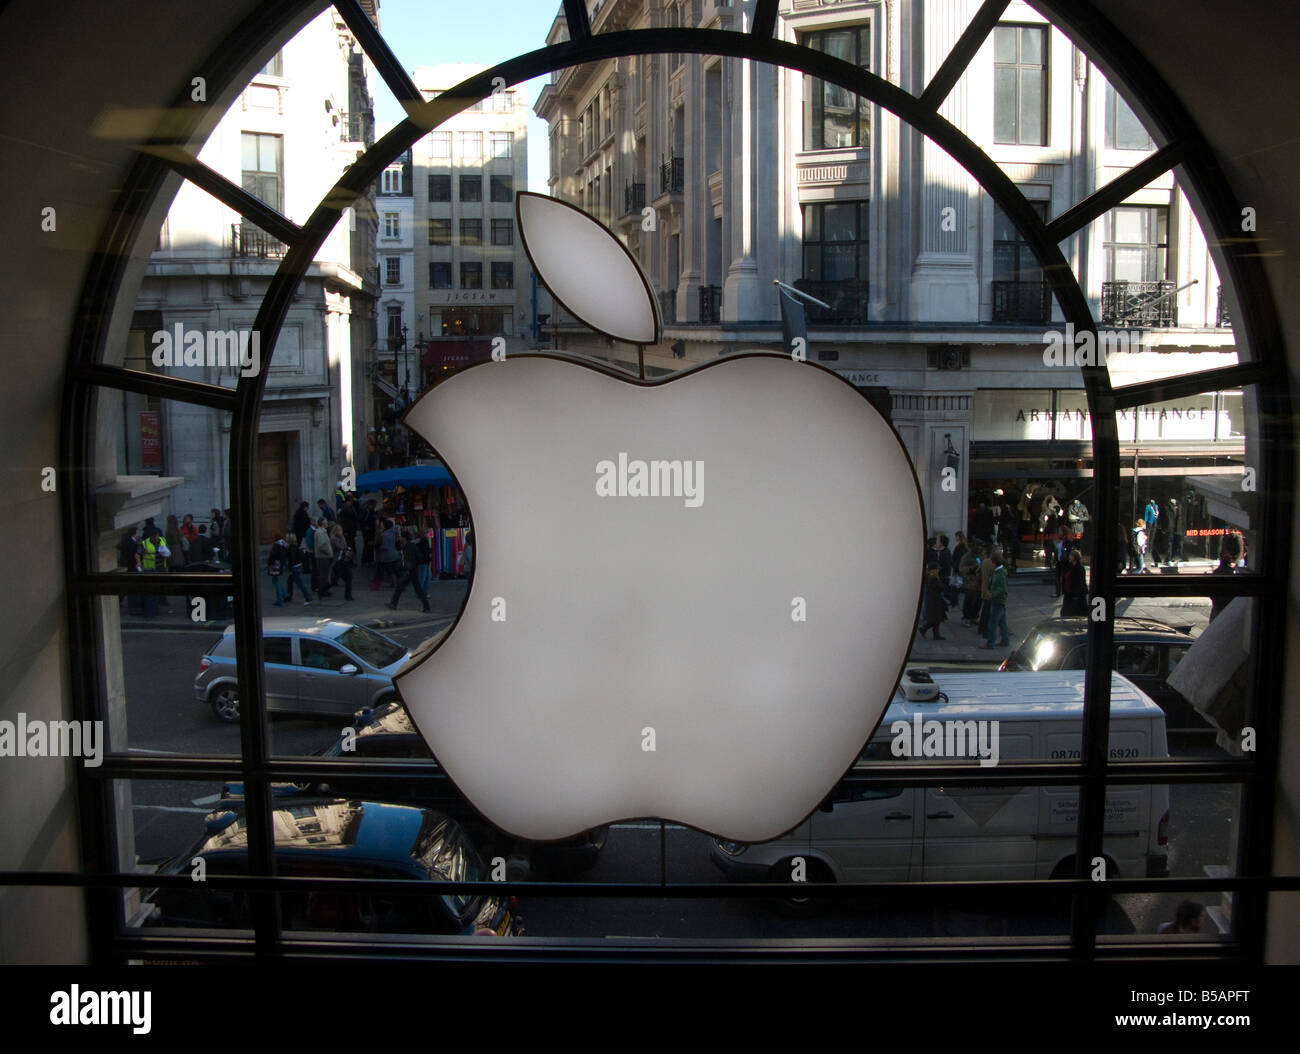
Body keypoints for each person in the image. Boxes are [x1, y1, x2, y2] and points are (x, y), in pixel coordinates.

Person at [388, 527, 431, 613]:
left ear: (404, 538)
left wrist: (407, 570)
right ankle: (426, 606)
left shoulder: (410, 547)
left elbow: (410, 560)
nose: (400, 538)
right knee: (415, 589)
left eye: (401, 537)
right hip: (412, 571)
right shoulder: (408, 545)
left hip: (411, 571)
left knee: (403, 587)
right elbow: (397, 547)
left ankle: (393, 604)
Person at [981, 551, 1011, 649]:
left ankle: (990, 643)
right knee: (1002, 622)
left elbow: (1002, 589)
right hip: (999, 601)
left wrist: (991, 594)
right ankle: (1005, 640)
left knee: (992, 623)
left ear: (993, 563)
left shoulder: (999, 574)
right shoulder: (998, 572)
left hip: (997, 601)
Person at [917, 567, 947, 640]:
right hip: (934, 600)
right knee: (935, 618)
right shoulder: (933, 579)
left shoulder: (929, 578)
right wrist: (939, 580)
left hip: (933, 600)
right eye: (937, 570)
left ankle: (936, 634)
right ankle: (923, 628)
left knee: (937, 618)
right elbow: (940, 588)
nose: (938, 571)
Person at [1209, 547, 1237, 621]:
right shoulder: (1232, 573)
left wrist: (1213, 598)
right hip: (1228, 600)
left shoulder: (1216, 572)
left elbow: (1211, 588)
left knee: (1215, 617)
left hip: (1218, 600)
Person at [977, 545, 999, 638]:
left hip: (984, 587)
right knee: (989, 611)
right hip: (990, 588)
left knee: (985, 609)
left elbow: (978, 572)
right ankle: (985, 630)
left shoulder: (984, 561)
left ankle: (981, 628)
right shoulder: (993, 563)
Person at [284, 533, 312, 605]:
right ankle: (289, 596)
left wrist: (290, 567)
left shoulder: (291, 547)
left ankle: (308, 597)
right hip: (298, 565)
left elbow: (292, 558)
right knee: (290, 582)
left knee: (299, 583)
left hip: (294, 567)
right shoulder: (296, 546)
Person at [1060, 549, 1089, 617]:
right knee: (1066, 611)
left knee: (1078, 611)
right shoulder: (1069, 566)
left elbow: (1080, 582)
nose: (1069, 557)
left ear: (1075, 557)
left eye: (1071, 555)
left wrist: (1076, 595)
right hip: (1068, 592)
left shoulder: (1080, 568)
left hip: (1077, 594)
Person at [313, 517, 334, 598]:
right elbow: (322, 545)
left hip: (322, 556)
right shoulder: (320, 532)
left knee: (324, 574)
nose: (327, 523)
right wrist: (329, 552)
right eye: (326, 522)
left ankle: (324, 590)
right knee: (323, 575)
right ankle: (322, 591)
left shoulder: (321, 531)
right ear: (323, 523)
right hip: (322, 557)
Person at [268, 533, 289, 606]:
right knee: (276, 581)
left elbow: (272, 556)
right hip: (280, 564)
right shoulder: (284, 545)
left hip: (275, 565)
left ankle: (280, 598)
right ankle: (285, 594)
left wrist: (269, 563)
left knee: (276, 582)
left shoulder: (276, 546)